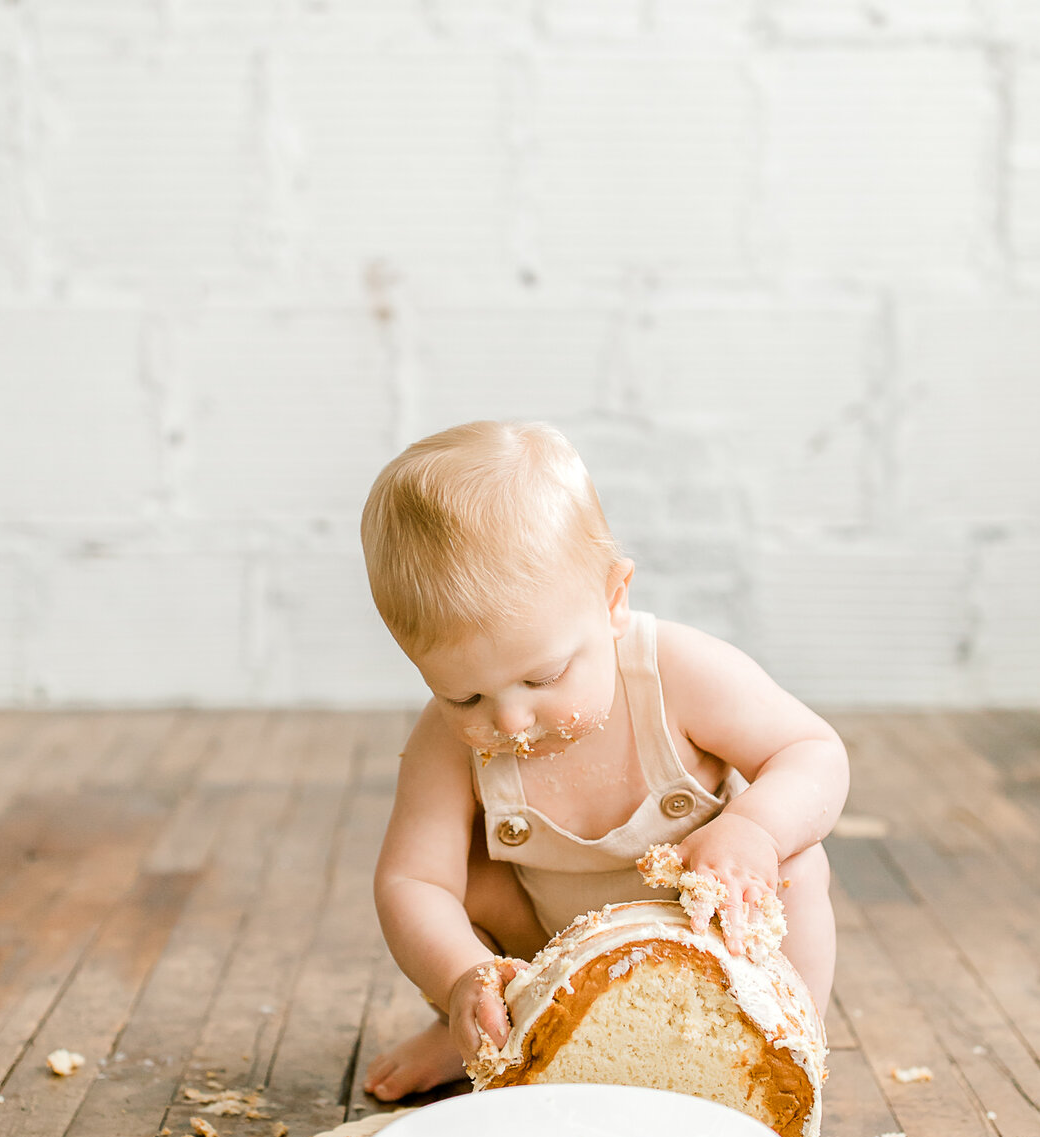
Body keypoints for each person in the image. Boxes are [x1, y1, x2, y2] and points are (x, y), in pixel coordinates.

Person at [355, 420, 846, 1102]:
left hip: (711, 936)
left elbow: (813, 751)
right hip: (550, 957)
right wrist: (464, 972)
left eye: (543, 676)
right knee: (461, 883)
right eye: (463, 693)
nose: (509, 720)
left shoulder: (677, 674)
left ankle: (779, 1049)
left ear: (613, 601)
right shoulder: (446, 741)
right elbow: (412, 880)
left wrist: (755, 829)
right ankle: (500, 1031)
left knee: (798, 863)